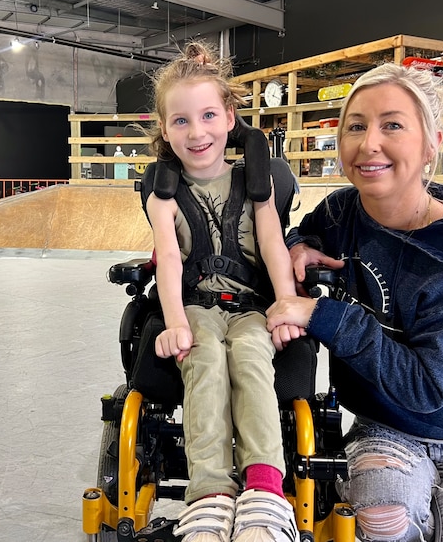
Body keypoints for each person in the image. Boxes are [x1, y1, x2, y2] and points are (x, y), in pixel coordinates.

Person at [265, 63, 443, 542]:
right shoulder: (344, 210)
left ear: (431, 143)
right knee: (381, 522)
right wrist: (299, 244)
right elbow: (307, 230)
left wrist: (323, 316)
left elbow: (426, 387)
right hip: (385, 429)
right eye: (355, 125)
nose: (369, 142)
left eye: (392, 125)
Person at [145, 41, 300, 542]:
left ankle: (263, 487)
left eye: (209, 115)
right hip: (195, 305)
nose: (197, 132)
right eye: (182, 121)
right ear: (165, 128)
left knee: (252, 354)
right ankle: (210, 491)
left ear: (230, 117)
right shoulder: (162, 194)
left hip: (252, 305)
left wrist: (287, 304)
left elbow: (275, 245)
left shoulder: (257, 181)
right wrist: (175, 324)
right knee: (203, 355)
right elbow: (168, 258)